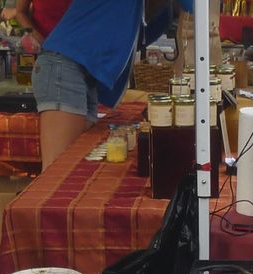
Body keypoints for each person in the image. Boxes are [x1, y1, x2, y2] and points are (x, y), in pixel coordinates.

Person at [33, 0, 188, 169]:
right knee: (57, 170)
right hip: (63, 66)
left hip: (83, 74)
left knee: (74, 163)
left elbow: (130, 40)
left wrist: (170, 13)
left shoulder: (142, 10)